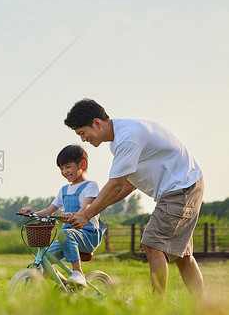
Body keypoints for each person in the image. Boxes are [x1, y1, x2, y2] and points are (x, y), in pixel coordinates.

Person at [63, 98, 205, 299]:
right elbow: (128, 184)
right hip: (186, 186)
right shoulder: (119, 140)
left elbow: (116, 184)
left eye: (82, 133)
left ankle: (157, 307)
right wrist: (93, 210)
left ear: (97, 122)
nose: (83, 139)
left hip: (181, 188)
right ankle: (202, 306)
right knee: (183, 256)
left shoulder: (127, 138)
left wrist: (86, 215)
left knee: (152, 244)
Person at [20, 144, 105, 287]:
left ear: (82, 164)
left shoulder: (90, 185)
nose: (64, 171)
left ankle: (78, 273)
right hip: (66, 235)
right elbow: (48, 211)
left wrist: (77, 214)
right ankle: (66, 286)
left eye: (67, 167)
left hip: (88, 235)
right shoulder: (64, 190)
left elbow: (87, 207)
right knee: (44, 260)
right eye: (61, 168)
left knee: (66, 235)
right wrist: (31, 214)